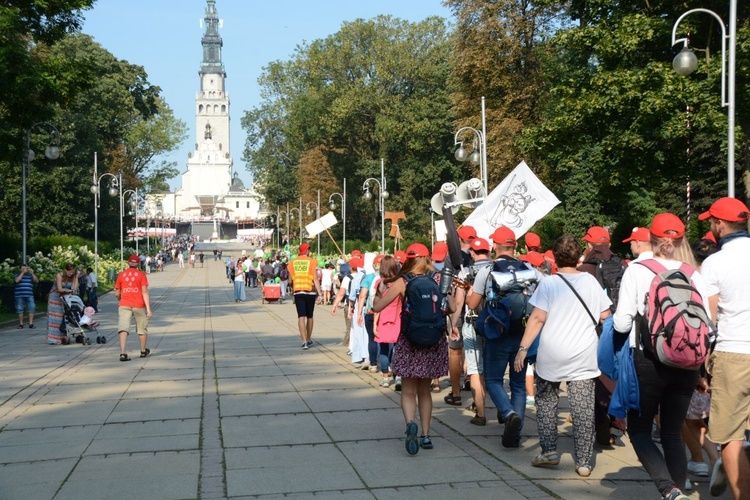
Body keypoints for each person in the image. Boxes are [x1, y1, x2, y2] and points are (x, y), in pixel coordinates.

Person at [613, 213, 708, 500]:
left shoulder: (637, 269)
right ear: (679, 240)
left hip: (649, 361)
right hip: (688, 362)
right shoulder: (693, 274)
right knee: (670, 434)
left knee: (640, 430)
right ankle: (676, 490)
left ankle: (669, 491)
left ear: (651, 239)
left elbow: (621, 323)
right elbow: (706, 324)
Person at [514, 235, 611, 477]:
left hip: (552, 354)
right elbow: (605, 315)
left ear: (555, 258)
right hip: (583, 355)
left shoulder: (549, 284)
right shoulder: (590, 282)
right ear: (578, 257)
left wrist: (523, 349)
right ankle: (585, 462)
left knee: (546, 403)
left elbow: (537, 318)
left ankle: (549, 451)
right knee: (583, 408)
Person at [372, 243, 457, 455]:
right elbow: (453, 307)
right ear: (427, 258)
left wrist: (379, 291)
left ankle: (411, 423)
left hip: (410, 340)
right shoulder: (438, 279)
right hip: (433, 341)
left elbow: (377, 307)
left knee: (408, 391)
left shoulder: (403, 281)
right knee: (425, 391)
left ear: (408, 260)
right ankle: (426, 435)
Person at [466, 226, 537, 448]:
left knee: (494, 380)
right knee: (517, 384)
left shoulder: (487, 271)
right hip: (523, 334)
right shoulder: (529, 269)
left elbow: (472, 304)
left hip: (497, 334)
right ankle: (514, 434)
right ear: (515, 245)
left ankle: (507, 414)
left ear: (495, 246)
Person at [698, 197, 750, 498]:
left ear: (719, 224)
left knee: (729, 436)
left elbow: (709, 320)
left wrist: (701, 367)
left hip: (733, 352)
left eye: (711, 221)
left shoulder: (715, 263)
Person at [451, 237, 493, 425]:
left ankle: (481, 413)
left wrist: (453, 323)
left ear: (472, 254)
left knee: (476, 369)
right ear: (489, 251)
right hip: (495, 323)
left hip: (472, 322)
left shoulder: (465, 272)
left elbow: (459, 302)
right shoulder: (496, 269)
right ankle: (503, 409)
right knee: (493, 368)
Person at [115, 254, 152, 361]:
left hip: (124, 304)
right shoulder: (141, 275)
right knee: (142, 328)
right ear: (138, 264)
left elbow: (117, 293)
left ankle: (123, 353)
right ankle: (143, 351)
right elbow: (145, 292)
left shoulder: (121, 275)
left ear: (128, 263)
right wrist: (148, 309)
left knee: (123, 328)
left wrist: (121, 299)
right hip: (139, 304)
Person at [373, 256, 400, 386]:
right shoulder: (399, 282)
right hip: (398, 316)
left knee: (383, 348)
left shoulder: (380, 283)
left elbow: (377, 304)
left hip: (383, 316)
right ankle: (398, 375)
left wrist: (374, 323)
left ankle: (385, 377)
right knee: (398, 347)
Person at [288, 243, 322, 349]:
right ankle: (308, 338)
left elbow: (290, 280)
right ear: (307, 250)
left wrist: (293, 285)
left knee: (301, 316)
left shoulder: (292, 263)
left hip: (298, 291)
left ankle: (304, 342)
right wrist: (320, 294)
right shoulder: (312, 262)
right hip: (310, 291)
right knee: (310, 316)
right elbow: (315, 279)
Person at [46, 263, 79, 344]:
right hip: (55, 298)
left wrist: (76, 278)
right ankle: (54, 339)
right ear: (65, 270)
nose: (71, 274)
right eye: (69, 272)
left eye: (72, 272)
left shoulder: (73, 276)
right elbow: (59, 289)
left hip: (65, 298)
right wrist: (67, 290)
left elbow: (74, 289)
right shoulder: (59, 276)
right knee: (55, 318)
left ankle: (63, 336)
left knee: (63, 318)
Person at [14, 263, 38, 329]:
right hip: (19, 295)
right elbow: (17, 280)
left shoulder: (29, 276)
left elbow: (36, 280)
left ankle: (31, 323)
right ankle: (21, 324)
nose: (24, 270)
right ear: (20, 269)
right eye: (23, 268)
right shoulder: (16, 275)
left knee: (32, 308)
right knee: (20, 309)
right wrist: (22, 273)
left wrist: (32, 273)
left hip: (29, 295)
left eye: (25, 268)